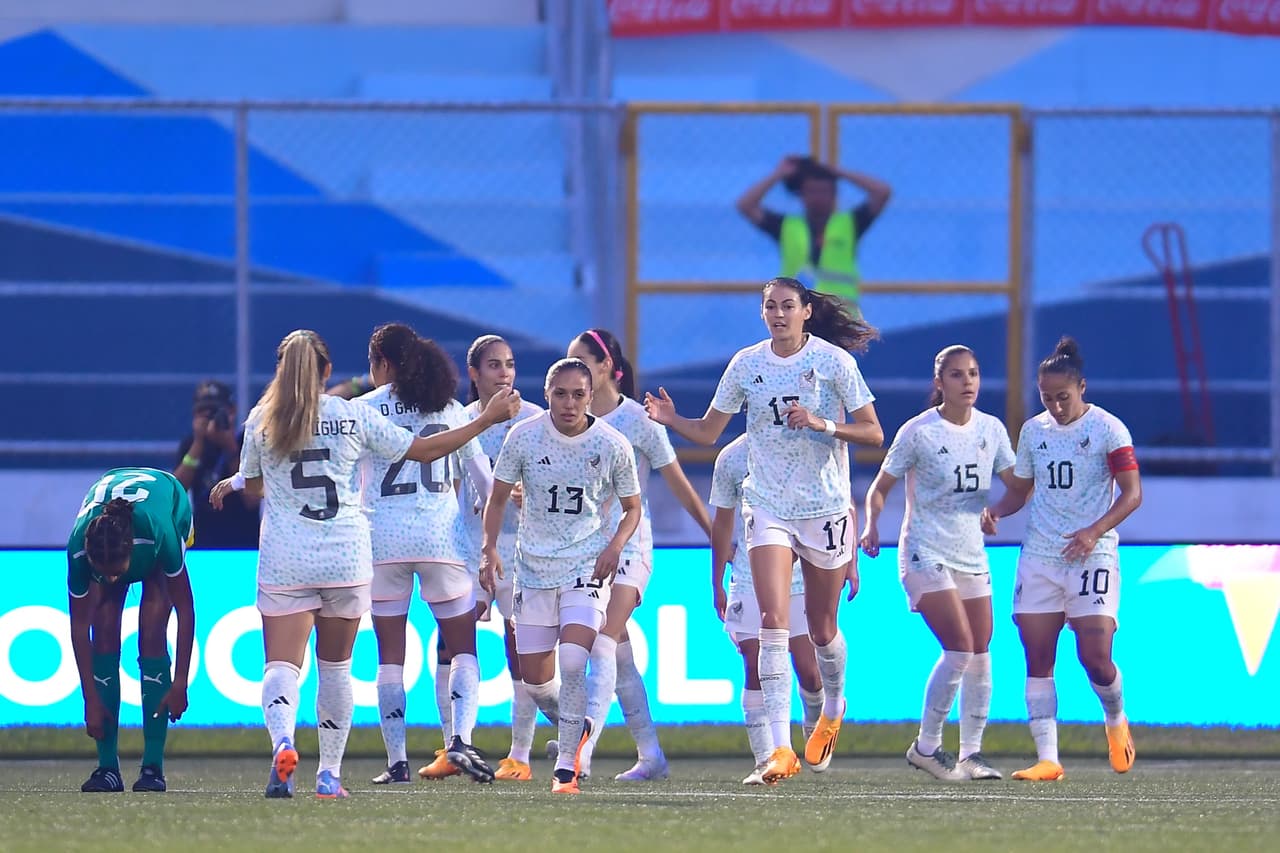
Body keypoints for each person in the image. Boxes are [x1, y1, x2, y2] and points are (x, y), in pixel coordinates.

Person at [210, 329, 521, 799]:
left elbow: (254, 487)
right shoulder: (352, 415)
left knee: (282, 666)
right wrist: (484, 422)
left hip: (289, 557)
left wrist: (241, 483)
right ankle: (329, 775)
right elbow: (422, 450)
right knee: (336, 669)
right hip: (348, 555)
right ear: (328, 371)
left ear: (281, 369)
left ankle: (285, 743)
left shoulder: (261, 420)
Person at [645, 276, 881, 785]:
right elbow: (710, 431)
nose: (778, 314)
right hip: (767, 505)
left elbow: (873, 431)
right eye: (770, 306)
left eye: (788, 306)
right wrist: (670, 419)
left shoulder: (834, 364)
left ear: (806, 313)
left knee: (820, 629)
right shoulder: (746, 365)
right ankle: (778, 750)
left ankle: (834, 707)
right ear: (762, 313)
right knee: (772, 618)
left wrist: (823, 425)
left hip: (823, 507)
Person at [981, 336, 1142, 782]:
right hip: (1040, 556)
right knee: (1038, 658)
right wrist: (995, 510)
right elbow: (1021, 491)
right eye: (1047, 398)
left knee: (1095, 657)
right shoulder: (1034, 432)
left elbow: (1132, 494)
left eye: (1063, 397)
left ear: (1082, 388)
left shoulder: (1109, 428)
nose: (1055, 406)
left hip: (1093, 556)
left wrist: (1094, 530)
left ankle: (1115, 719)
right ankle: (1049, 759)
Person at [481, 358, 642, 794]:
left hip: (583, 567)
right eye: (560, 394)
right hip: (531, 570)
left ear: (591, 396)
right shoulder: (524, 437)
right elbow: (496, 500)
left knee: (574, 661)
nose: (569, 403)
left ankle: (566, 769)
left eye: (577, 394)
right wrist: (489, 549)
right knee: (535, 683)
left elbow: (632, 508)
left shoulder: (611, 445)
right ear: (548, 393)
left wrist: (613, 547)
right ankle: (578, 724)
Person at [860, 345, 1016, 782]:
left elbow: (1019, 485)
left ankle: (972, 754)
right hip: (923, 551)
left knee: (981, 652)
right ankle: (926, 747)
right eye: (957, 374)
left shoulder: (992, 430)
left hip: (970, 552)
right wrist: (872, 525)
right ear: (939, 382)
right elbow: (879, 488)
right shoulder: (918, 432)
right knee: (961, 648)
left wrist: (998, 511)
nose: (968, 381)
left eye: (974, 372)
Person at [352, 323, 498, 785]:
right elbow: (485, 482)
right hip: (441, 541)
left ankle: (397, 763)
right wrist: (489, 541)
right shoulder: (451, 408)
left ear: (383, 364)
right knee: (463, 648)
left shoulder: (363, 410)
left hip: (382, 542)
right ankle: (460, 740)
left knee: (390, 656)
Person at [566, 328, 712, 783]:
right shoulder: (568, 418)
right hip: (583, 549)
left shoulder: (638, 421)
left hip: (630, 546)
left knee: (602, 642)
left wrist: (717, 538)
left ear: (608, 367)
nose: (574, 370)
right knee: (620, 655)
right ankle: (651, 754)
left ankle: (579, 754)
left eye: (582, 361)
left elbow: (679, 483)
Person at [454, 334, 555, 782]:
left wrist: (524, 496)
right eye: (494, 365)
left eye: (510, 364)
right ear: (473, 374)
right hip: (465, 548)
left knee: (520, 651)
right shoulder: (457, 422)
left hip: (519, 553)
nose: (505, 373)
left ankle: (521, 753)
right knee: (451, 643)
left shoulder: (536, 419)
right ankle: (454, 744)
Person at [68, 467, 196, 794]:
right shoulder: (79, 550)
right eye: (104, 574)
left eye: (118, 573)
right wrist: (90, 700)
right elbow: (80, 630)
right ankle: (107, 769)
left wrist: (180, 681)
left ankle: (153, 767)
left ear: (131, 554)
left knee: (152, 634)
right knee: (105, 629)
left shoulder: (159, 534)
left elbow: (185, 609)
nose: (113, 580)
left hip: (169, 500)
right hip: (116, 523)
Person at [710, 434, 824, 786]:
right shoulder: (731, 459)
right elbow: (723, 521)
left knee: (808, 667)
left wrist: (846, 563)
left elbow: (837, 503)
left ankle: (817, 726)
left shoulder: (808, 446)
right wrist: (716, 579)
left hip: (801, 572)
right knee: (752, 660)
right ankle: (767, 760)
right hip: (747, 573)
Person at [736, 155, 891, 311]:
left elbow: (882, 192)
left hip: (841, 317)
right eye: (812, 191)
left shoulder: (850, 223)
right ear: (801, 194)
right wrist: (778, 174)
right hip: (798, 316)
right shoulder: (787, 226)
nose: (818, 197)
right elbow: (746, 205)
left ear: (834, 195)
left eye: (824, 191)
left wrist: (840, 173)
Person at [173, 380, 260, 548]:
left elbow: (253, 499)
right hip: (204, 543)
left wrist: (231, 448)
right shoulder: (190, 445)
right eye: (202, 413)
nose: (210, 418)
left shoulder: (247, 442)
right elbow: (175, 492)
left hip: (245, 543)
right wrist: (198, 445)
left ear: (232, 411)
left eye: (215, 412)